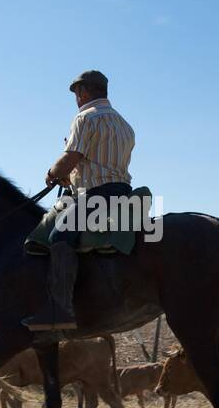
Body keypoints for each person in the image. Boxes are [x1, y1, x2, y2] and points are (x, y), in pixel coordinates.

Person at [22, 69, 135, 331]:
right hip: (122, 193)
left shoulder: (84, 118)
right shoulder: (125, 125)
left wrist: (53, 174)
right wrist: (71, 177)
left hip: (95, 196)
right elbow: (99, 162)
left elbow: (71, 157)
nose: (76, 98)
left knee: (59, 239)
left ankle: (59, 309)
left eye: (76, 93)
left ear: (83, 92)